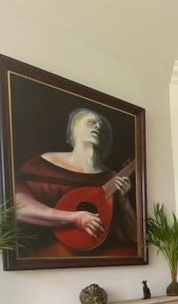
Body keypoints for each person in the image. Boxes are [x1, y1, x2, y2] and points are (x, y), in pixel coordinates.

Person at [14, 108, 136, 253]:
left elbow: (135, 236)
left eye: (103, 128)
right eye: (91, 122)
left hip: (103, 256)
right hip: (49, 255)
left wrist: (124, 199)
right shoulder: (44, 164)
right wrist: (74, 218)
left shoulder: (113, 177)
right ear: (74, 128)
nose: (98, 127)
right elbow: (17, 207)